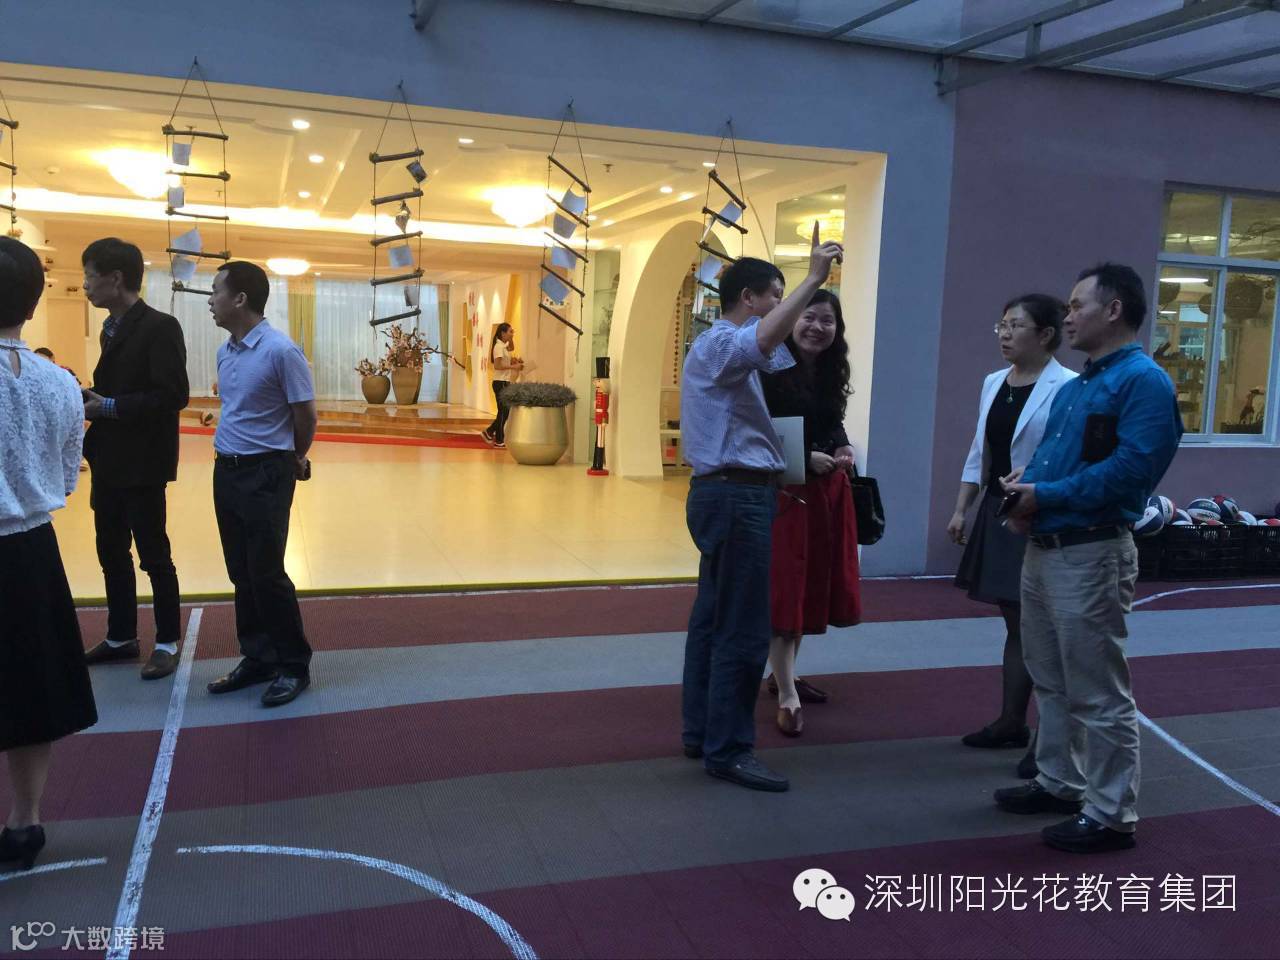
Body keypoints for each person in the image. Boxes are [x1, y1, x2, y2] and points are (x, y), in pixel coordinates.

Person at [996, 263, 1183, 854]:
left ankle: (1111, 813)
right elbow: (1057, 461)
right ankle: (1060, 781)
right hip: (1048, 547)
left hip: (1092, 551)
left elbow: (1132, 472)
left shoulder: (1143, 382)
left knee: (1098, 690)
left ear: (1115, 310)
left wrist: (1045, 494)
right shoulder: (1078, 387)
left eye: (1077, 305)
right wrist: (1025, 486)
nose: (1067, 315)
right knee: (1051, 679)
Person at [680, 223, 843, 792]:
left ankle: (702, 732)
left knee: (713, 620)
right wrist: (814, 279)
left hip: (729, 493)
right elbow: (765, 341)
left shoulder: (728, 351)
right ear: (748, 298)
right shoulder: (722, 343)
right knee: (744, 629)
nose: (783, 307)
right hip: (735, 496)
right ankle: (728, 749)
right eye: (775, 295)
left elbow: (786, 356)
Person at [0, 237, 98, 871]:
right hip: (32, 552)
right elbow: (67, 476)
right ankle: (24, 822)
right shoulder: (59, 383)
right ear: (33, 305)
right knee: (29, 689)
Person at [949, 295, 1075, 778]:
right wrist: (961, 508)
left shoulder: (1068, 386)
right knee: (1015, 621)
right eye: (1001, 325)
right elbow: (979, 450)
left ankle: (1048, 738)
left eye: (1016, 325)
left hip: (1039, 513)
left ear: (1045, 335)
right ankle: (1010, 722)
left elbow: (1066, 455)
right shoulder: (993, 382)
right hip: (999, 509)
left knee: (1040, 627)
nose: (1004, 334)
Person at [205, 261, 317, 707]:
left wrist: (293, 458)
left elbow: (305, 415)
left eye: (216, 291)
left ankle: (293, 665)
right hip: (226, 470)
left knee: (267, 573)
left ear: (240, 298)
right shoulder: (225, 351)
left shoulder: (281, 351)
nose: (210, 300)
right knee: (241, 571)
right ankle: (258, 657)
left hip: (266, 472)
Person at [79, 238, 189, 681]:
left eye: (89, 276)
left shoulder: (161, 326)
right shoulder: (110, 327)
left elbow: (173, 395)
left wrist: (106, 406)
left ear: (115, 278)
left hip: (143, 464)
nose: (85, 285)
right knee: (110, 551)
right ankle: (121, 635)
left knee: (153, 555)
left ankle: (167, 641)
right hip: (108, 460)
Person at [760, 289, 862, 737]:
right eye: (809, 317)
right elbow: (760, 430)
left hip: (823, 492)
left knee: (807, 586)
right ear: (790, 320)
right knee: (786, 586)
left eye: (827, 320)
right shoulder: (769, 367)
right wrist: (804, 457)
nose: (818, 327)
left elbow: (830, 420)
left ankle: (783, 675)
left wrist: (842, 445)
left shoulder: (830, 369)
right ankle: (787, 694)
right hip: (785, 493)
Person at [482, 323, 523, 448]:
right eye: (510, 331)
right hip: (500, 382)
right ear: (502, 333)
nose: (512, 333)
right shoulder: (498, 347)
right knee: (503, 411)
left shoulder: (503, 346)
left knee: (505, 411)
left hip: (505, 382)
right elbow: (497, 366)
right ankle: (499, 439)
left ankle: (489, 432)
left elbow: (511, 348)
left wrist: (511, 338)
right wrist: (513, 366)